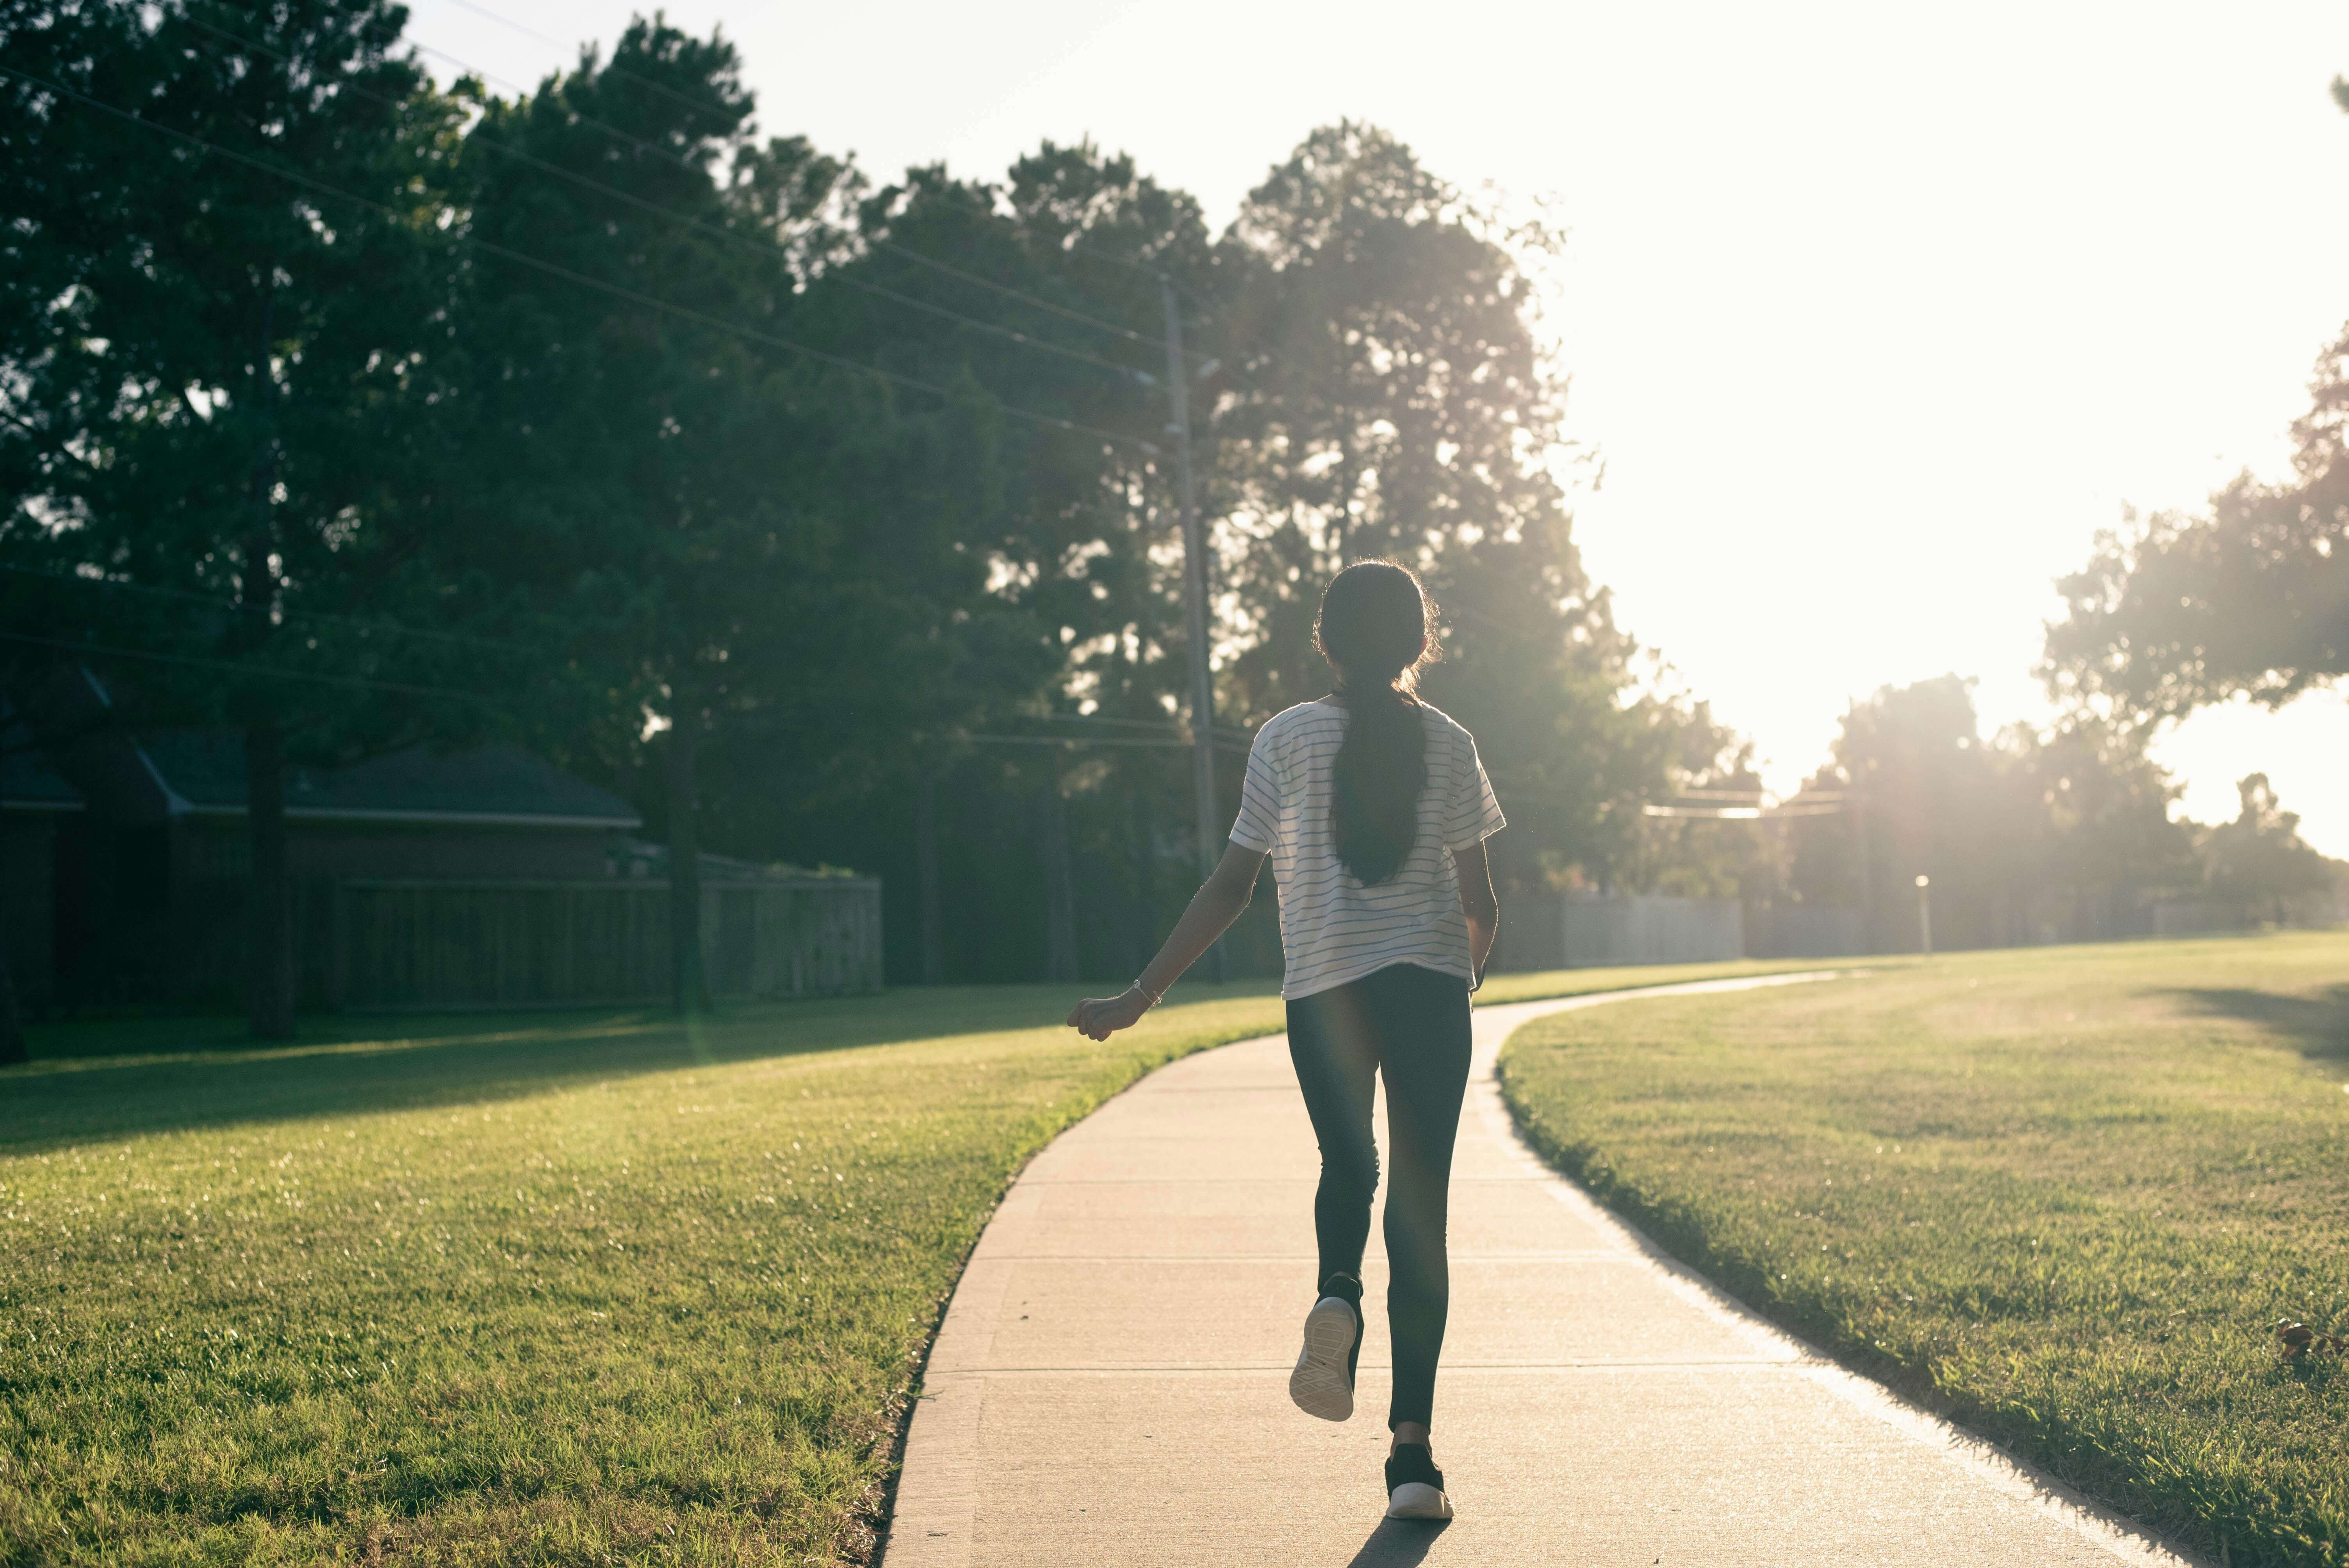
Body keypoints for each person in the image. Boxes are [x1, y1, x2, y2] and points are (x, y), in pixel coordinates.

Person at [1067, 559, 1504, 1523]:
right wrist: (1458, 980)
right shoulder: (1452, 742)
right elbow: (1480, 905)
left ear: (1325, 640)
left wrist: (1142, 994)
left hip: (1326, 990)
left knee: (1349, 1163)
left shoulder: (1284, 738)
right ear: (1416, 641)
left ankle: (1335, 1291)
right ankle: (1412, 1462)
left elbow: (1233, 884)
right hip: (1429, 987)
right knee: (1420, 1211)